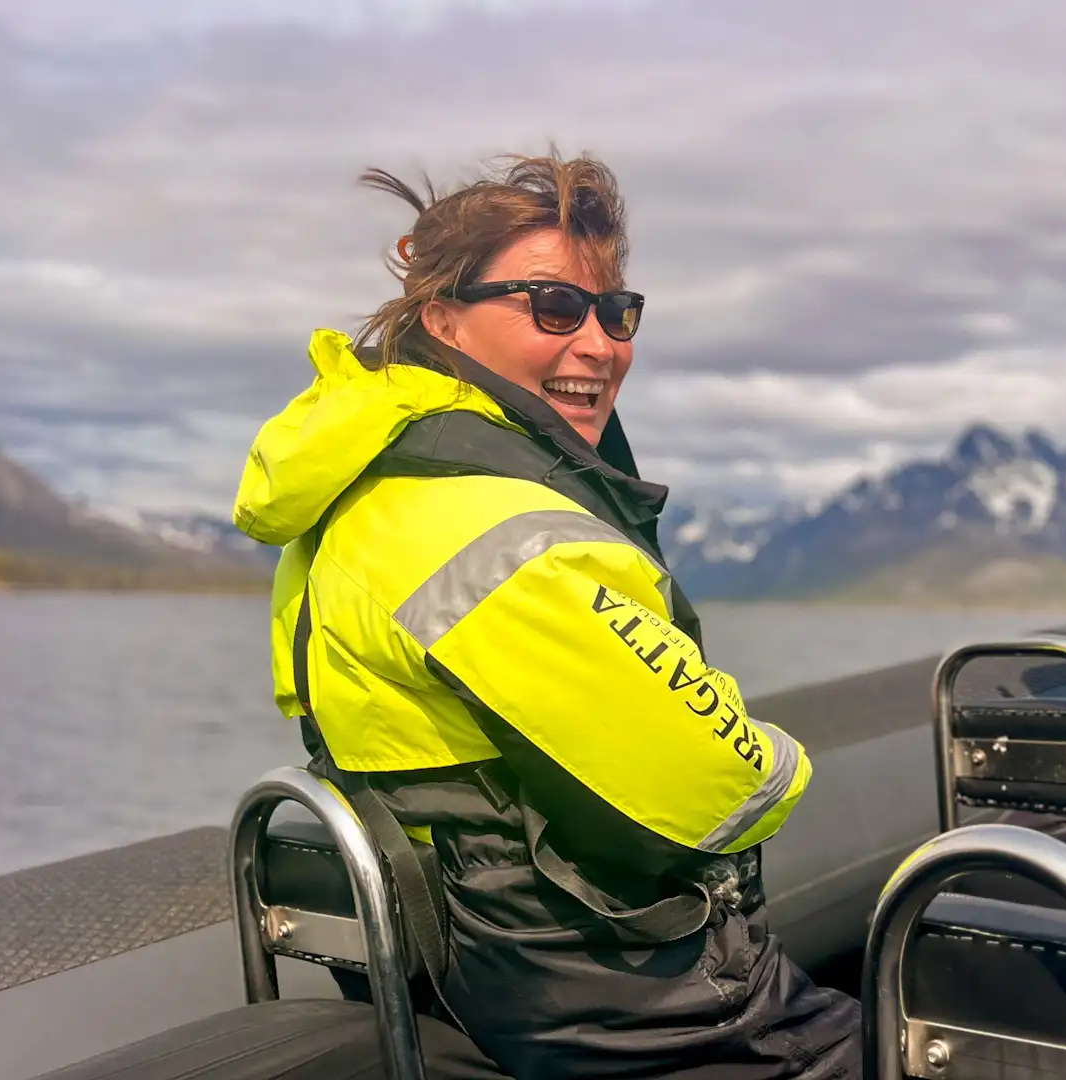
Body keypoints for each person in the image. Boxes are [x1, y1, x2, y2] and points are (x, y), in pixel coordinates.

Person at [232, 151, 860, 1079]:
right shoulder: (488, 525)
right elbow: (716, 781)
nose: (600, 344)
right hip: (608, 991)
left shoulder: (381, 477)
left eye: (617, 312)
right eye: (553, 308)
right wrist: (783, 757)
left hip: (473, 971)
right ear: (443, 319)